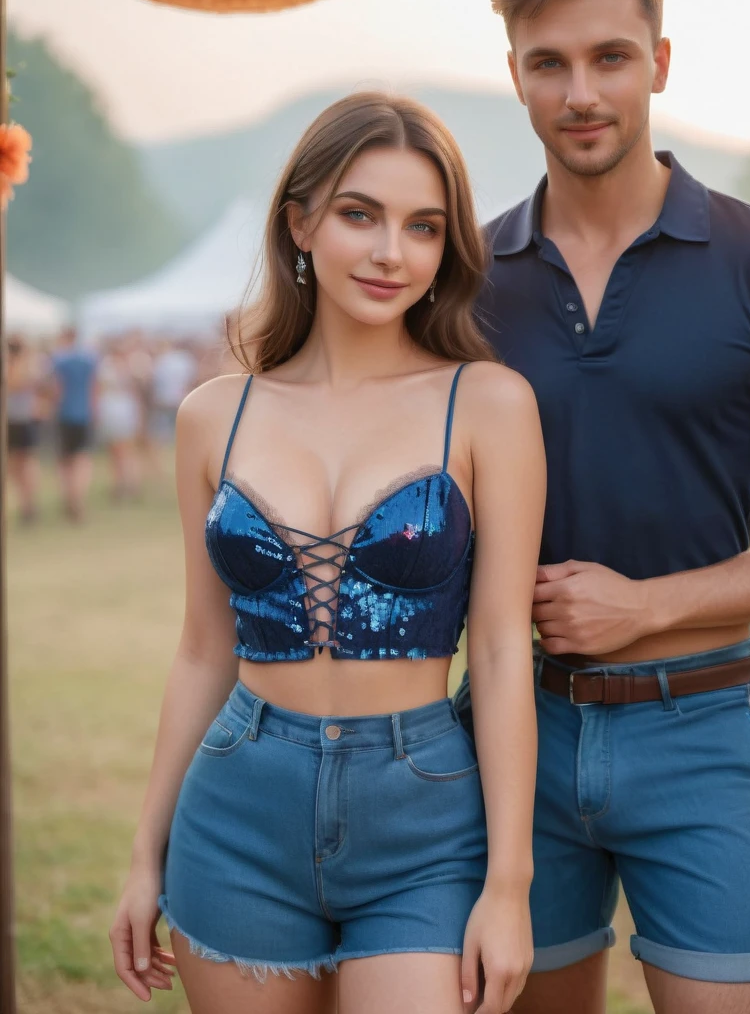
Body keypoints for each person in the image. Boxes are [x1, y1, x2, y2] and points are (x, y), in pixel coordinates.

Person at [456, 0, 750, 1014]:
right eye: (547, 63)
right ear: (513, 75)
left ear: (658, 61)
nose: (579, 91)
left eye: (607, 56)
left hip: (698, 729)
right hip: (510, 735)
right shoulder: (466, 282)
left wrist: (643, 607)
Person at [109, 92, 544, 1014]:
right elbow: (201, 648)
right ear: (299, 223)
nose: (392, 252)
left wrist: (509, 886)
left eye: (423, 227)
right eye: (361, 215)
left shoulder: (489, 404)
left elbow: (505, 651)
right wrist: (144, 854)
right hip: (236, 810)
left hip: (424, 818)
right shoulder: (211, 417)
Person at [51, 326, 99, 522]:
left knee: (65, 460)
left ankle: (69, 496)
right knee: (82, 458)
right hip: (84, 414)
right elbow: (94, 387)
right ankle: (78, 498)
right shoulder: (89, 359)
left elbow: (57, 388)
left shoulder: (59, 359)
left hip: (65, 414)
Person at [96, 337, 144, 502]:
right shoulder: (127, 366)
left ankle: (124, 483)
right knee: (123, 451)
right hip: (121, 411)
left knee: (120, 451)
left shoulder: (108, 366)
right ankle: (126, 483)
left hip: (115, 411)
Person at [6, 334, 46, 524]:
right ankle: (26, 502)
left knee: (25, 463)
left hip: (22, 420)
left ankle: (28, 503)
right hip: (15, 420)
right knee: (17, 465)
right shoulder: (20, 365)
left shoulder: (24, 365)